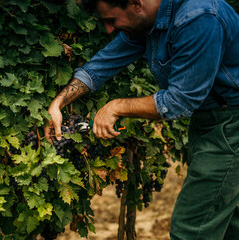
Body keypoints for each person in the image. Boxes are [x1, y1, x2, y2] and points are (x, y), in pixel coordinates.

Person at [44, 0, 239, 239]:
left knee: (192, 230)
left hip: (232, 125)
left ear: (136, 4)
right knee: (229, 225)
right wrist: (59, 102)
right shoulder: (148, 22)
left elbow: (180, 101)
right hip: (212, 121)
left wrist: (117, 107)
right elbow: (102, 64)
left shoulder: (199, 17)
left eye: (111, 20)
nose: (108, 29)